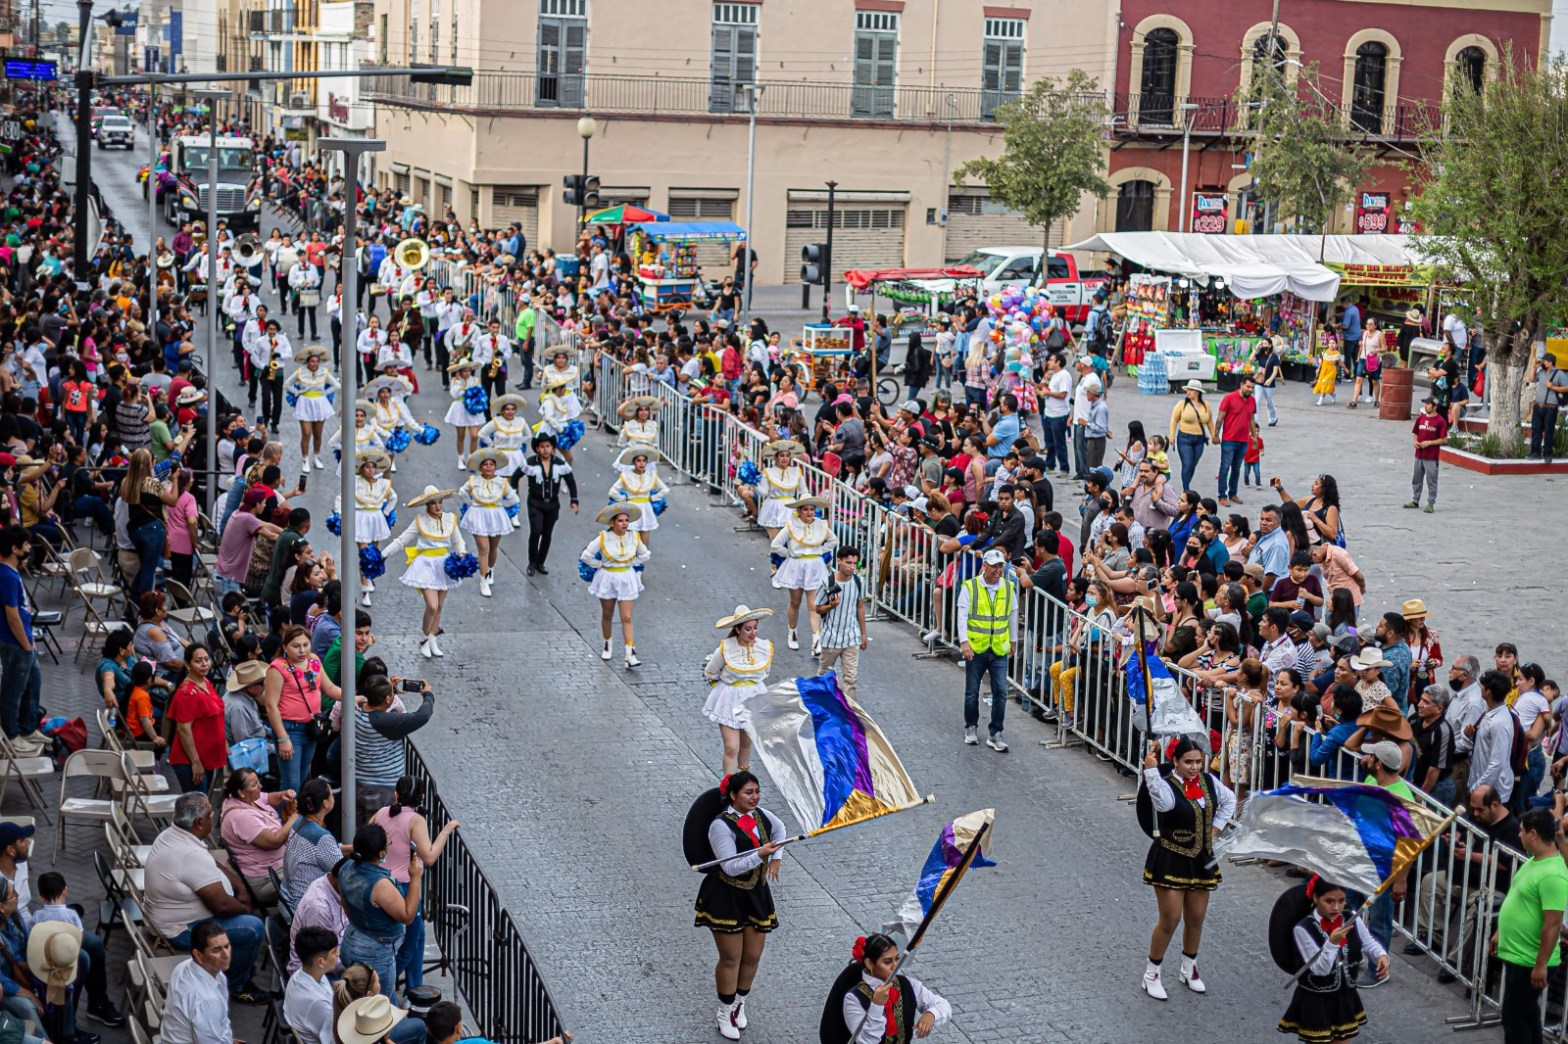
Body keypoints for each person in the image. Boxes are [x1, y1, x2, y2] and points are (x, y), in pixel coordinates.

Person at [143, 793, 266, 1002]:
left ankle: (237, 964)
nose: (214, 816)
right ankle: (236, 986)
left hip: (168, 919)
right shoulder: (189, 855)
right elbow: (222, 906)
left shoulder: (174, 835)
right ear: (199, 823)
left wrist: (239, 887)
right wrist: (245, 907)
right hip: (180, 930)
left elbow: (210, 862)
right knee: (252, 928)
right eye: (210, 814)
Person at [1138, 737, 1236, 999]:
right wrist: (1150, 770)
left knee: (1196, 917)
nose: (1194, 767)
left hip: (1200, 858)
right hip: (1171, 857)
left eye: (1198, 762)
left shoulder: (1208, 782)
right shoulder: (1166, 786)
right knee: (1170, 919)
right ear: (1175, 762)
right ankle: (1151, 974)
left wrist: (1215, 828)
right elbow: (1162, 804)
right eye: (1188, 762)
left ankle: (1189, 968)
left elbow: (1230, 800)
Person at [692, 771, 784, 1041]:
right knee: (731, 957)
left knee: (753, 955)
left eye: (757, 791)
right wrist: (760, 854)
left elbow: (780, 831)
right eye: (748, 792)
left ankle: (739, 1004)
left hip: (756, 894)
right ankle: (724, 1011)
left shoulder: (762, 816)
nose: (754, 797)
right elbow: (730, 867)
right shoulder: (720, 826)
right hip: (726, 897)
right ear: (733, 795)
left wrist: (776, 857)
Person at [370, 775, 458, 994]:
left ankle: (414, 989)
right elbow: (429, 856)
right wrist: (446, 830)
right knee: (409, 943)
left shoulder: (381, 813)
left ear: (396, 794)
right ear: (421, 798)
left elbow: (367, 837)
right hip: (403, 887)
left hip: (380, 881)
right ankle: (381, 984)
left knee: (418, 937)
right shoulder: (415, 820)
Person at [1277, 877, 1389, 1044]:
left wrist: (1381, 955)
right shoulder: (1303, 928)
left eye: (1341, 901)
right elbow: (1320, 969)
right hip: (1317, 999)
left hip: (1344, 996)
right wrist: (1332, 943)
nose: (1336, 907)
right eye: (1329, 901)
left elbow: (1368, 943)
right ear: (1316, 898)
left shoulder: (1351, 918)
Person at [1491, 808, 1568, 1043]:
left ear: (1533, 834)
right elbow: (1518, 898)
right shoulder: (1534, 861)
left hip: (1530, 960)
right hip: (1520, 956)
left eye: (1522, 831)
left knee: (1514, 1020)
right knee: (1527, 1014)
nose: (1519, 835)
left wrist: (1540, 965)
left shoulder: (1553, 874)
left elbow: (1553, 924)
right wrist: (1499, 932)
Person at [338, 824, 423, 1002]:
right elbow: (407, 915)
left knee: (362, 999)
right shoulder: (380, 885)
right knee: (380, 1003)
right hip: (375, 954)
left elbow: (345, 905)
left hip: (352, 939)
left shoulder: (346, 868)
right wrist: (415, 878)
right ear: (382, 852)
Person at [821, 933, 952, 1044]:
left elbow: (942, 1005)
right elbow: (867, 1041)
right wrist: (877, 1006)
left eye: (897, 959)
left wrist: (931, 1014)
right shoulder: (854, 998)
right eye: (887, 962)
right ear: (869, 963)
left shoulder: (908, 984)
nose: (895, 966)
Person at [385, 485, 467, 658]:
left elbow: (458, 541)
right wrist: (383, 554)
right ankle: (423, 638)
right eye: (433, 503)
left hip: (444, 564)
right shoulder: (420, 521)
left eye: (440, 502)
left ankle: (432, 639)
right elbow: (402, 540)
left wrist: (461, 555)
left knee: (440, 607)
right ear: (427, 505)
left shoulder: (449, 519)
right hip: (425, 565)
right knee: (432, 605)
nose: (437, 506)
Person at [263, 624, 341, 793]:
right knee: (291, 784)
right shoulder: (277, 668)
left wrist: (354, 697)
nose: (302, 650)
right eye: (296, 646)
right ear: (285, 646)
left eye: (305, 645)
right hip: (290, 730)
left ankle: (297, 809)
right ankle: (284, 811)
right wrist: (283, 738)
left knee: (303, 776)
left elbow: (329, 688)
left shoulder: (314, 660)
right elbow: (271, 705)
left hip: (311, 728)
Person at [703, 606, 775, 774]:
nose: (753, 633)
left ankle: (743, 780)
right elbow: (710, 672)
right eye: (748, 629)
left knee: (747, 743)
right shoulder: (725, 649)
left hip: (753, 698)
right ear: (738, 629)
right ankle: (728, 785)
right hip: (729, 699)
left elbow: (765, 672)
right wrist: (727, 681)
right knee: (731, 747)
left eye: (755, 628)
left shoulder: (764, 647)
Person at [581, 504, 652, 668]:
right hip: (607, 578)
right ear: (612, 523)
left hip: (626, 578)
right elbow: (586, 556)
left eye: (627, 520)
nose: (625, 523)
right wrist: (599, 565)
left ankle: (630, 653)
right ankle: (607, 643)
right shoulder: (603, 538)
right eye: (620, 521)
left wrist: (631, 563)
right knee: (607, 614)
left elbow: (645, 554)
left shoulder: (634, 536)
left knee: (627, 617)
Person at [959, 549, 1015, 753]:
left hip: (999, 648)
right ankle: (971, 727)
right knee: (972, 691)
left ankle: (996, 733)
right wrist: (964, 642)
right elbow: (962, 615)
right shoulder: (970, 587)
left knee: (1001, 692)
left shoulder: (1008, 587)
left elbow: (1012, 615)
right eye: (994, 566)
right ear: (984, 566)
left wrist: (1013, 641)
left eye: (1000, 566)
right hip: (976, 647)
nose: (998, 570)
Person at [218, 767, 299, 905]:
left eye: (258, 781)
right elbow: (275, 842)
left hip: (277, 866)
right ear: (241, 792)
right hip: (266, 879)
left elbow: (267, 797)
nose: (260, 786)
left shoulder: (244, 798)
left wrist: (282, 795)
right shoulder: (241, 817)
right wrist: (296, 816)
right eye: (255, 784)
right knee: (316, 876)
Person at [770, 496, 838, 655]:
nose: (809, 512)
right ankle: (792, 632)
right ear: (799, 511)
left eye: (812, 509)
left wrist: (820, 551)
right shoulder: (791, 525)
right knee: (795, 602)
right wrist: (789, 553)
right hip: (796, 566)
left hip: (815, 567)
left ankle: (816, 640)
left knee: (813, 604)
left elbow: (833, 540)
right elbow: (775, 544)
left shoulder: (821, 524)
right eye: (806, 509)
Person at [160, 921, 238, 1044]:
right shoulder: (207, 1000)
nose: (226, 955)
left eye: (227, 946)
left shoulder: (184, 966)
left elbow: (222, 1022)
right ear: (198, 955)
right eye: (216, 950)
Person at [459, 449, 520, 598]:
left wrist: (501, 507)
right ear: (480, 467)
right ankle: (484, 581)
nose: (488, 467)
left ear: (495, 467)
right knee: (483, 548)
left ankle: (490, 569)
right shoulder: (473, 480)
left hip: (496, 517)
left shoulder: (502, 482)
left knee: (493, 547)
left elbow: (514, 498)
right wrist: (471, 504)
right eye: (485, 464)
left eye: (491, 464)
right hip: (478, 516)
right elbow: (462, 492)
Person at [517, 432, 579, 576]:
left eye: (548, 446)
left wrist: (574, 501)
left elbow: (571, 481)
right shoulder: (530, 462)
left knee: (547, 534)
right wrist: (513, 495)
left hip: (552, 505)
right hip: (535, 503)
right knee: (536, 532)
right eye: (542, 447)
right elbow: (516, 476)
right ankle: (531, 562)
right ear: (537, 449)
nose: (545, 449)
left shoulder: (560, 464)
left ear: (552, 448)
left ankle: (540, 562)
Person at [168, 644, 227, 794]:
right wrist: (195, 762)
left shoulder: (205, 682)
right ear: (188, 664)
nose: (204, 664)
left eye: (206, 659)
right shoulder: (188, 693)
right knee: (196, 804)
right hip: (190, 760)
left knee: (203, 801)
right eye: (198, 661)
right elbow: (183, 729)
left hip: (206, 756)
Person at [815, 547, 868, 703]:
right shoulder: (827, 583)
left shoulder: (859, 582)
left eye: (855, 564)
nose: (852, 567)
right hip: (830, 638)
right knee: (825, 675)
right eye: (848, 563)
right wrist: (830, 606)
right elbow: (817, 608)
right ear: (839, 561)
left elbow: (860, 607)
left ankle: (849, 711)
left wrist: (863, 634)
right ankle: (822, 706)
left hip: (851, 637)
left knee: (850, 679)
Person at [284, 926, 339, 1044]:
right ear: (321, 962)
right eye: (334, 952)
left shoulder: (301, 974)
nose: (338, 954)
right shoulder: (320, 1003)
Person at [608, 446, 671, 549]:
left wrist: (653, 498)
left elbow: (664, 489)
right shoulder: (626, 475)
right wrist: (623, 499)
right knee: (630, 535)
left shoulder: (651, 475)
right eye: (638, 461)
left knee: (645, 534)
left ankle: (643, 556)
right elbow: (612, 491)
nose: (641, 463)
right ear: (634, 462)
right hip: (631, 508)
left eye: (644, 461)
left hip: (646, 508)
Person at [288, 347, 338, 471]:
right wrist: (297, 392)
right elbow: (287, 384)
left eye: (317, 361)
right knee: (306, 433)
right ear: (307, 362)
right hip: (304, 403)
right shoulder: (300, 372)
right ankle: (305, 459)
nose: (315, 364)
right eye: (312, 361)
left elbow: (336, 385)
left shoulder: (324, 372)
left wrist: (325, 393)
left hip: (320, 403)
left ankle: (316, 457)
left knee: (318, 434)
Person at [753, 441, 807, 541]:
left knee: (791, 544)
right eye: (782, 455)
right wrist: (754, 483)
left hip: (790, 508)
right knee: (775, 543)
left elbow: (804, 491)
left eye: (787, 456)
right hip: (772, 508)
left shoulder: (796, 472)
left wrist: (806, 506)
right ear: (776, 457)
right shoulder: (768, 472)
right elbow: (764, 493)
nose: (785, 458)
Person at [1216, 377, 1256, 507]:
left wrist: (1254, 436)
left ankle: (1233, 493)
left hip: (1243, 440)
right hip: (1229, 439)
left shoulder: (1252, 400)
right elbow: (1220, 417)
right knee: (1225, 467)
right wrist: (1216, 434)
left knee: (1236, 468)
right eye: (1248, 387)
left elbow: (1251, 419)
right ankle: (1222, 495)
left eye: (1252, 388)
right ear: (1241, 385)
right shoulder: (1229, 398)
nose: (1250, 390)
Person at [1406, 397, 1449, 513]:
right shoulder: (1421, 418)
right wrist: (1415, 441)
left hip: (1431, 456)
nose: (1425, 406)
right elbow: (1416, 432)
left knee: (1431, 480)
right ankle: (1415, 500)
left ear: (1435, 407)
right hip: (1419, 454)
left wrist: (1429, 443)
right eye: (1425, 404)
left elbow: (1444, 439)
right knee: (1416, 478)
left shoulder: (1440, 421)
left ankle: (1430, 503)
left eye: (1428, 404)